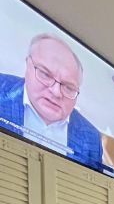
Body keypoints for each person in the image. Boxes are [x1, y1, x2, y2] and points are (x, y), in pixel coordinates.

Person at [0, 33, 103, 168]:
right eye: (45, 74)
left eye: (68, 87)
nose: (56, 92)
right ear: (28, 65)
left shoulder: (92, 139)